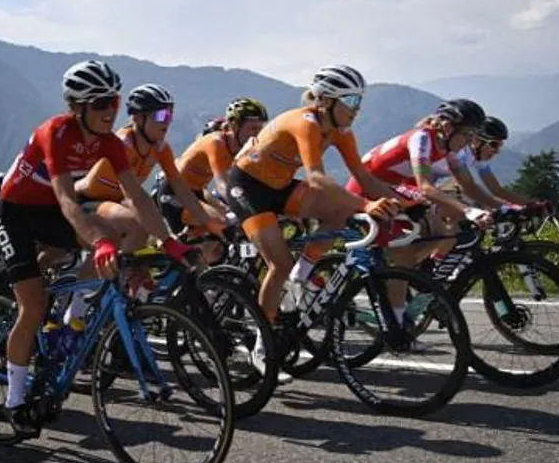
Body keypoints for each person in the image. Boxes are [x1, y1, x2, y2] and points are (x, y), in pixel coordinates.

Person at [0, 59, 194, 436]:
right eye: (100, 103)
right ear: (78, 106)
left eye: (114, 102)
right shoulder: (55, 132)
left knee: (120, 234)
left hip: (49, 212)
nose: (110, 111)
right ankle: (15, 400)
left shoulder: (108, 143)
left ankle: (71, 310)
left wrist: (170, 242)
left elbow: (138, 196)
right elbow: (69, 202)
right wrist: (99, 241)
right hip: (17, 213)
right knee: (32, 306)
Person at [224, 65, 402, 321]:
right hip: (248, 188)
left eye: (359, 101)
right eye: (350, 100)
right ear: (326, 101)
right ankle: (263, 343)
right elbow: (316, 178)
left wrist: (403, 204)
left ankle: (301, 274)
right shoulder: (304, 123)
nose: (356, 109)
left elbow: (363, 177)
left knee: (340, 209)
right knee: (280, 264)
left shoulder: (341, 132)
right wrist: (366, 205)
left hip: (280, 186)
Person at [347, 98, 494, 274]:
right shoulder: (421, 138)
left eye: (474, 135)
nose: (470, 141)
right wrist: (469, 211)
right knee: (404, 254)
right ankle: (400, 282)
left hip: (394, 190)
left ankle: (415, 274)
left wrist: (505, 207)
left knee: (444, 232)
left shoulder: (448, 148)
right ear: (448, 127)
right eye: (468, 134)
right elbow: (425, 187)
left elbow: (470, 187)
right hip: (367, 188)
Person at [78, 83, 223, 253]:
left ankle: (119, 273)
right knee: (137, 228)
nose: (167, 122)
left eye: (170, 115)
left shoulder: (161, 148)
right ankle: (116, 275)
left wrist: (210, 223)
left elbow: (182, 191)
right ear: (139, 118)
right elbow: (132, 198)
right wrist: (166, 237)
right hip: (86, 202)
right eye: (161, 115)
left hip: (115, 203)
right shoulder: (122, 145)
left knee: (146, 241)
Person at [156, 97, 269, 236]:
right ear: (234, 125)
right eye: (252, 128)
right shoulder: (217, 143)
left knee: (222, 237)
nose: (256, 133)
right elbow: (222, 184)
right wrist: (244, 206)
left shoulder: (242, 148)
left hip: (197, 192)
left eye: (260, 128)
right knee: (221, 223)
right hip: (175, 193)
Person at [454, 116, 532, 207]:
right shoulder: (460, 156)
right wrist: (504, 207)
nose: (497, 151)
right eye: (494, 144)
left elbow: (497, 190)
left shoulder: (479, 162)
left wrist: (532, 204)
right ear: (476, 140)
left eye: (500, 146)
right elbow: (467, 189)